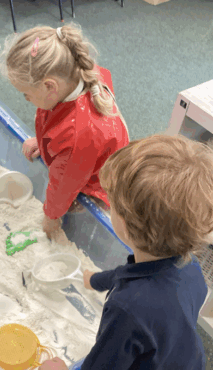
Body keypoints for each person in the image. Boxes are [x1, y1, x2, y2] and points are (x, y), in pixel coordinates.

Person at [39, 134, 211, 370]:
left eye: (112, 202)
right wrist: (95, 280)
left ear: (128, 228)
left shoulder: (127, 309)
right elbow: (128, 275)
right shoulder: (190, 266)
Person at [0, 24, 129, 239]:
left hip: (96, 182)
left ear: (50, 87)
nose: (26, 99)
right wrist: (43, 144)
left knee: (73, 211)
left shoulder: (78, 138)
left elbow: (62, 188)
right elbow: (57, 125)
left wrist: (51, 218)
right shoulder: (78, 73)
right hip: (86, 158)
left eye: (26, 94)